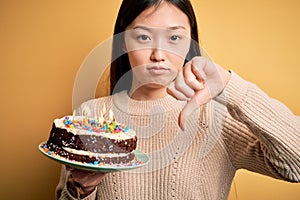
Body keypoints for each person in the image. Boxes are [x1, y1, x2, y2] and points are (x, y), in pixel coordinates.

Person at [56, 0, 300, 199]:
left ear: (190, 43)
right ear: (122, 43)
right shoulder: (89, 115)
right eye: (143, 37)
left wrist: (228, 85)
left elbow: (295, 165)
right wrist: (82, 189)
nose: (159, 55)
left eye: (174, 38)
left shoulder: (214, 116)